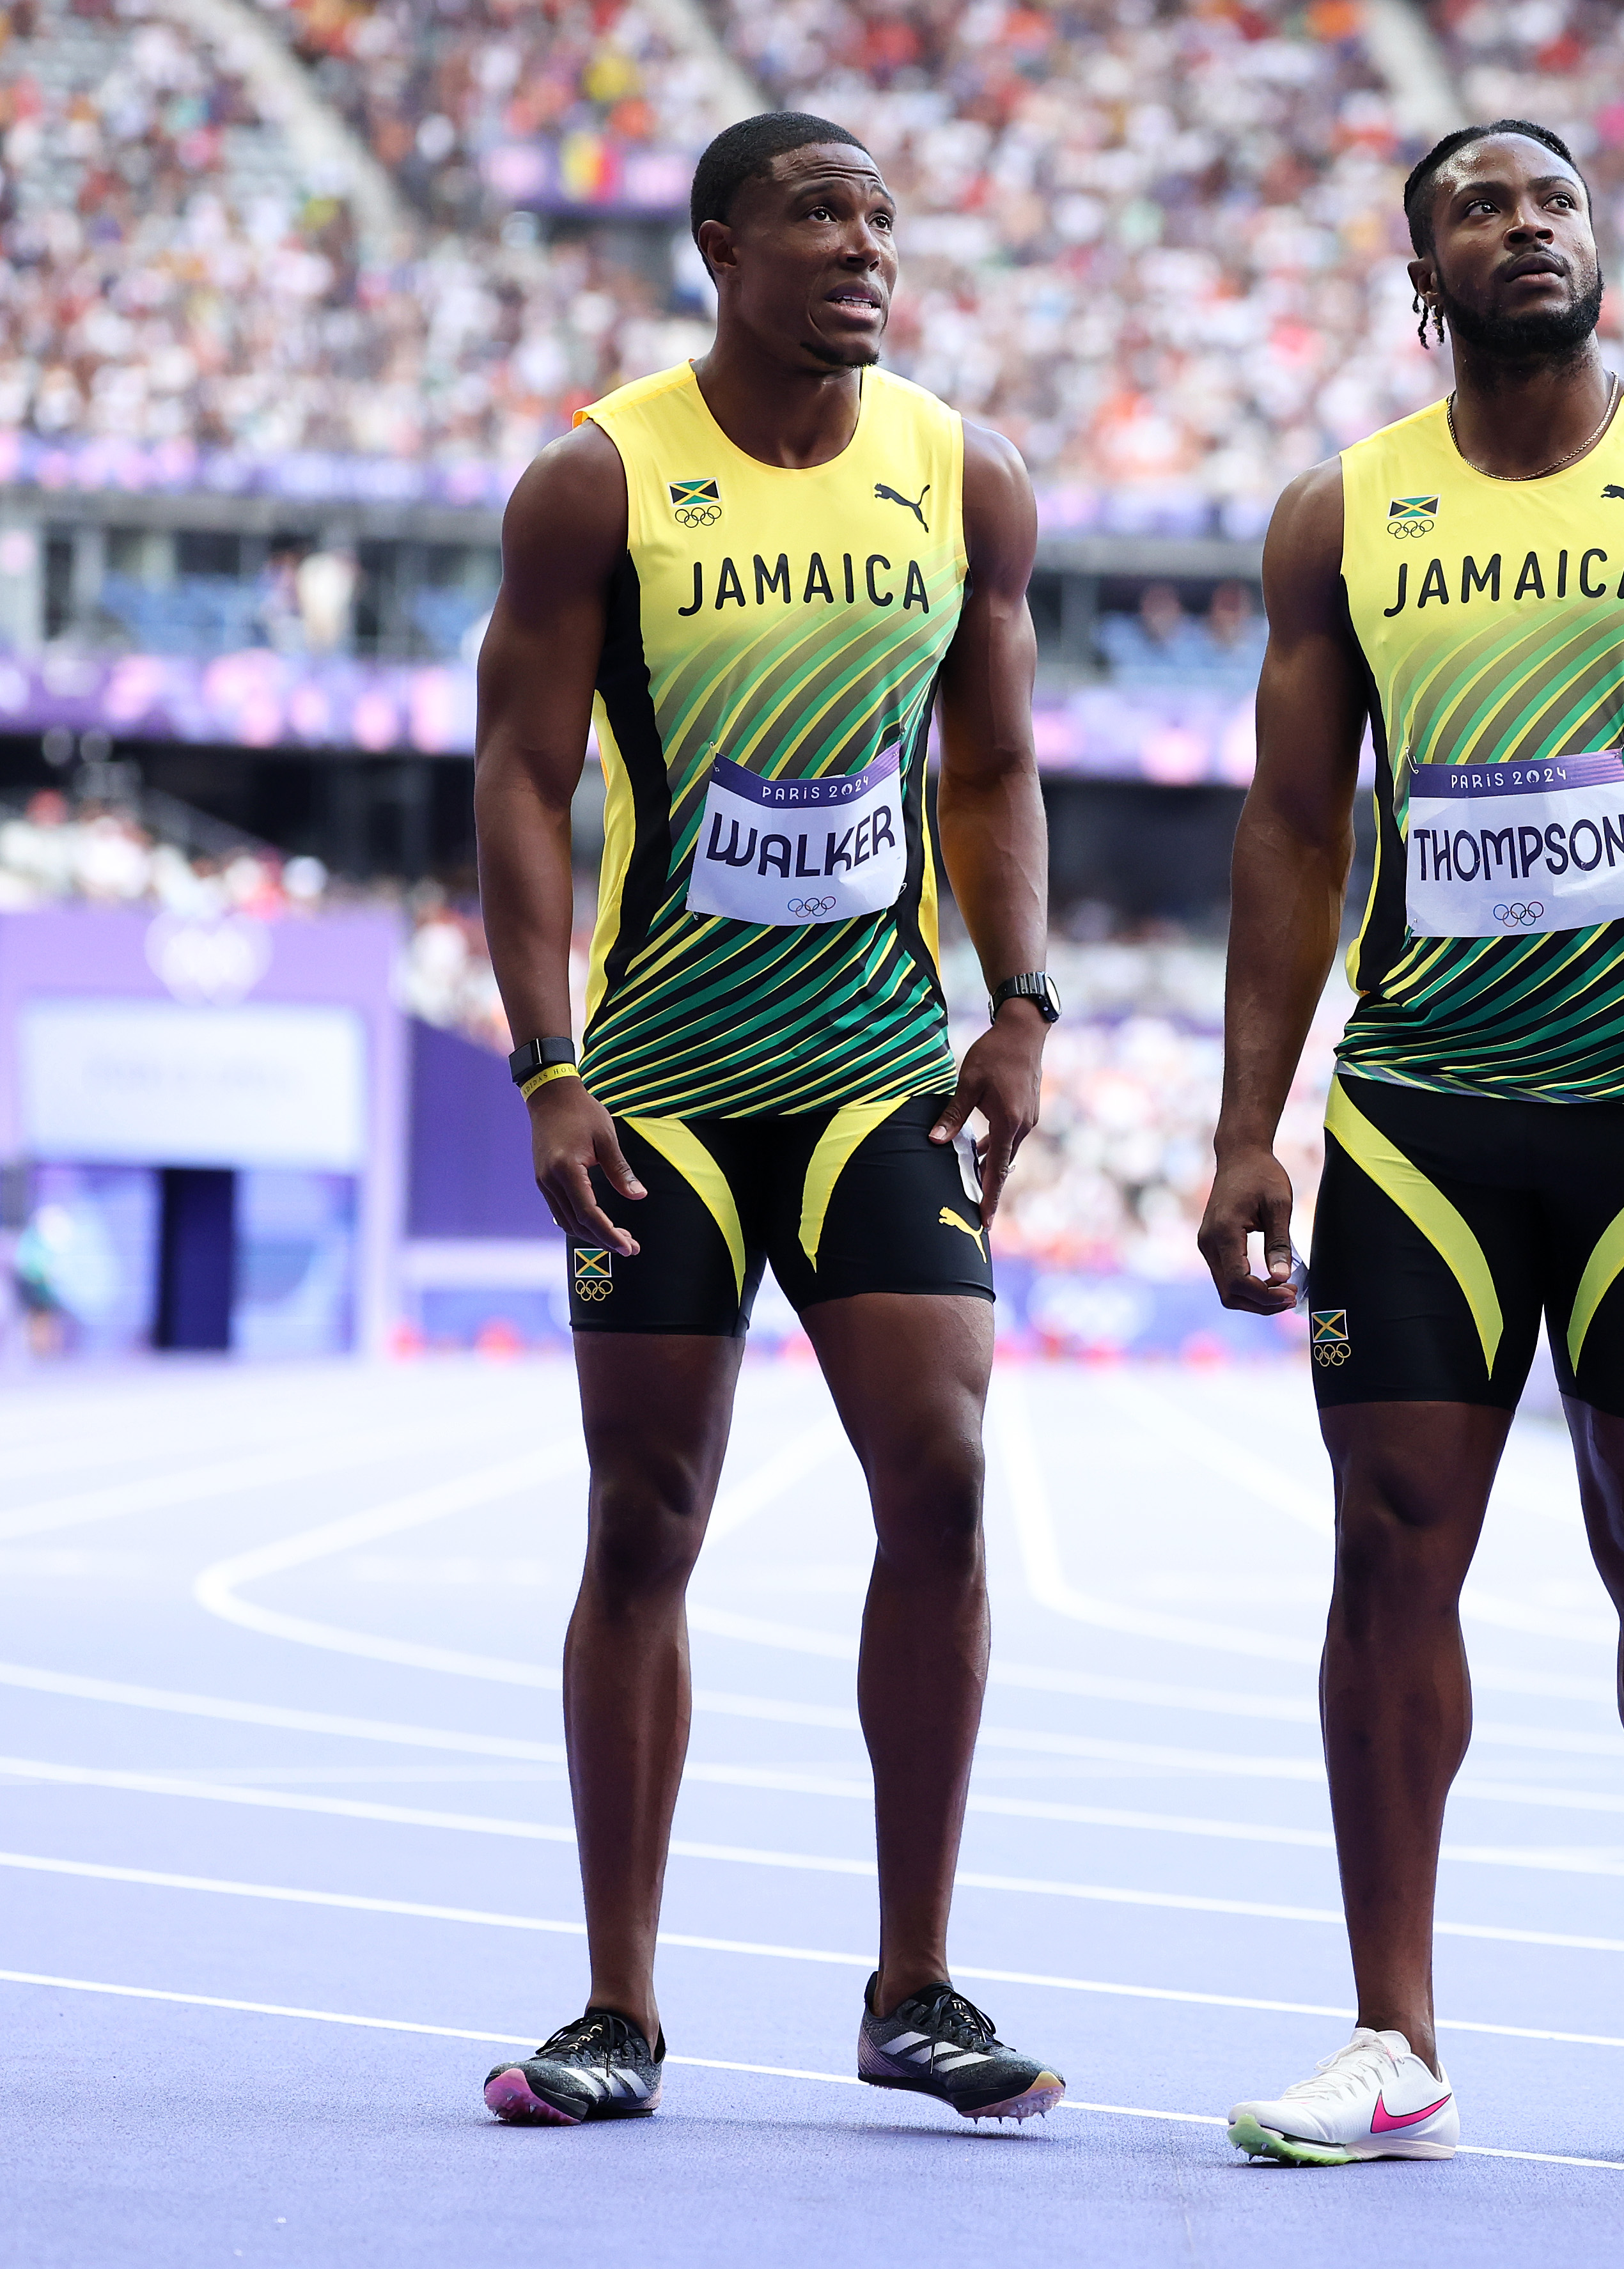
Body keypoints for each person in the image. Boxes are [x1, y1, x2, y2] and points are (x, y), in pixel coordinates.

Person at [1198, 119, 1624, 2172]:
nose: (1525, 227)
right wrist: (1246, 1132)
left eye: (1554, 201)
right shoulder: (1341, 516)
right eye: (1479, 207)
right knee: (1390, 1550)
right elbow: (1299, 833)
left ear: (1600, 252)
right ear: (1426, 280)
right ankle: (1392, 2033)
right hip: (1418, 1124)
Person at [469, 112, 1066, 2128]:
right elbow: (522, 780)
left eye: (884, 220)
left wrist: (1023, 1006)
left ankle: (915, 1987)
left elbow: (991, 767)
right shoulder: (597, 479)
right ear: (718, 245)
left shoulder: (962, 471)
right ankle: (618, 2006)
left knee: (951, 1480)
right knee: (646, 1516)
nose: (863, 251)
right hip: (661, 1085)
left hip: (880, 1063)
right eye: (819, 216)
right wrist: (547, 1062)